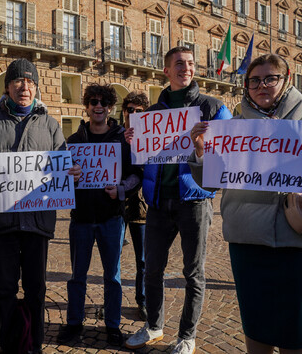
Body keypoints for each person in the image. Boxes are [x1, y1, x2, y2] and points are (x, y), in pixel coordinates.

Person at [189, 54, 302, 354]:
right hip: (247, 241)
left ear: (287, 80)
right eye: (254, 80)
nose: (262, 85)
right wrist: (202, 154)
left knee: (297, 329)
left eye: (271, 78)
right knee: (256, 325)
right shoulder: (233, 127)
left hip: (300, 241)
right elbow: (211, 182)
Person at [124, 46, 232, 353]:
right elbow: (143, 160)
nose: (186, 68)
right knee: (151, 270)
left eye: (190, 63)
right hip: (158, 202)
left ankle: (187, 336)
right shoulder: (151, 114)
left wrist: (200, 148)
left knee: (193, 272)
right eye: (179, 64)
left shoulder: (213, 107)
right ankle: (154, 327)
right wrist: (133, 143)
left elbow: (225, 161)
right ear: (166, 71)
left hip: (194, 202)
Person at [0, 58, 80, 353]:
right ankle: (9, 343)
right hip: (3, 221)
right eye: (19, 81)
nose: (25, 87)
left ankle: (34, 343)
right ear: (7, 86)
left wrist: (71, 171)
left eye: (31, 82)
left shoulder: (50, 123)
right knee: (3, 288)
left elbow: (63, 159)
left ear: (36, 87)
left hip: (38, 221)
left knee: (36, 289)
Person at [56, 84, 141, 347]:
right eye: (93, 101)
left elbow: (136, 174)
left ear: (111, 107)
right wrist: (68, 176)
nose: (98, 106)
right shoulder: (73, 141)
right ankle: (74, 323)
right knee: (77, 276)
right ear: (87, 106)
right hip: (80, 218)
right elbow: (59, 178)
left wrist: (122, 189)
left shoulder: (121, 140)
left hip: (111, 218)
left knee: (112, 276)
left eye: (104, 102)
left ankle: (113, 326)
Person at [121, 91, 149, 321]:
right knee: (112, 259)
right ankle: (113, 303)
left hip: (140, 206)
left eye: (139, 111)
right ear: (124, 112)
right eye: (130, 110)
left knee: (143, 259)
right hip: (115, 206)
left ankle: (143, 301)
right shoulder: (114, 135)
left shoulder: (152, 137)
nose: (134, 114)